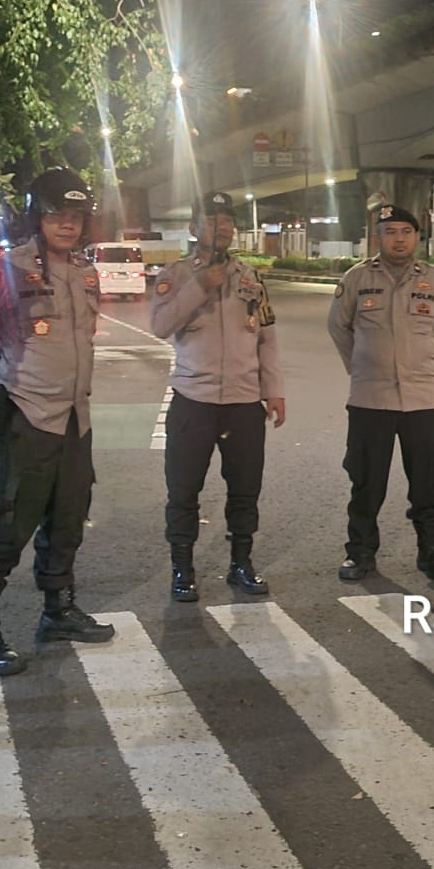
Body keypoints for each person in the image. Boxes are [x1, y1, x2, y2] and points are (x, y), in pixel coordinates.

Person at [0, 167, 115, 675]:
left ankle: (58, 610)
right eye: (56, 215)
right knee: (7, 523)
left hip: (75, 419)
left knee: (68, 517)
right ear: (35, 218)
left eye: (75, 217)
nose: (67, 225)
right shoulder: (6, 269)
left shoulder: (86, 272)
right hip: (27, 416)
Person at [149, 191, 285, 601]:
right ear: (194, 228)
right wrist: (200, 286)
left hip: (244, 404)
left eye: (227, 220)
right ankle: (182, 569)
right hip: (194, 400)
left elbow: (267, 337)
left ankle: (241, 564)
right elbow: (160, 325)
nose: (222, 227)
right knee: (183, 491)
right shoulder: (175, 275)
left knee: (245, 490)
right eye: (212, 220)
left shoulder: (250, 277)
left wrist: (274, 391)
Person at [328, 203, 434, 583]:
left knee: (428, 482)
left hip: (423, 399)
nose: (398, 240)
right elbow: (338, 326)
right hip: (370, 400)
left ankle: (431, 552)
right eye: (390, 232)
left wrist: (419, 364)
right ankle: (360, 553)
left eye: (405, 232)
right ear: (378, 237)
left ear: (417, 237)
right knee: (366, 482)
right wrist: (363, 367)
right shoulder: (356, 278)